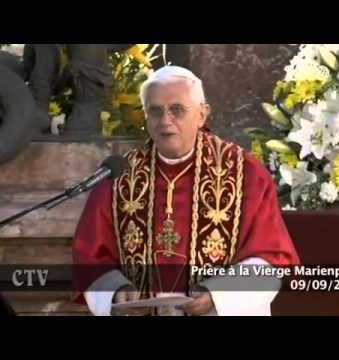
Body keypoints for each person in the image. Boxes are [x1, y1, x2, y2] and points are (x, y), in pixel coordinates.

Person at [73, 65, 299, 316]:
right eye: (155, 111)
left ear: (202, 115)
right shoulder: (118, 177)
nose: (165, 120)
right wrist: (115, 290)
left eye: (177, 110)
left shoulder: (246, 174)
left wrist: (218, 295)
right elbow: (90, 256)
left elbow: (271, 259)